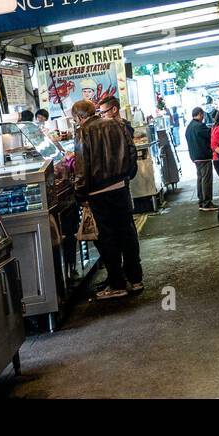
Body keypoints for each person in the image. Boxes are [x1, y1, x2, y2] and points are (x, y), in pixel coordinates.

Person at [72, 98, 142, 300]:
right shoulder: (115, 123)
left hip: (97, 192)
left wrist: (80, 192)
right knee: (126, 232)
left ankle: (117, 283)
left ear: (79, 117)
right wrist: (125, 175)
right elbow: (131, 152)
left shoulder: (83, 131)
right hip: (120, 187)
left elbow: (82, 166)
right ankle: (135, 279)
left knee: (106, 238)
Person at [184, 107, 215, 212]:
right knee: (206, 179)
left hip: (195, 157)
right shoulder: (200, 126)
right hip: (203, 156)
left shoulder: (189, 127)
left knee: (200, 178)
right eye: (203, 115)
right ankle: (207, 203)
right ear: (200, 114)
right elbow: (210, 134)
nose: (203, 117)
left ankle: (201, 202)